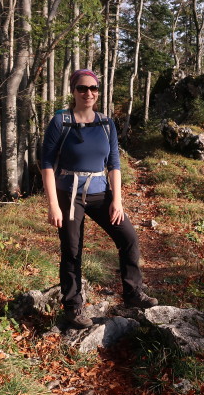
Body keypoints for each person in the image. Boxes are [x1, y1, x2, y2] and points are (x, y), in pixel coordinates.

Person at [41, 69, 158, 329]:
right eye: (83, 88)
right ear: (73, 91)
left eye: (93, 88)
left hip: (101, 191)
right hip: (69, 195)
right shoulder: (61, 121)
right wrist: (52, 205)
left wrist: (117, 200)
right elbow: (46, 164)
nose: (89, 93)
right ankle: (72, 307)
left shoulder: (106, 124)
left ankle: (133, 293)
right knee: (72, 249)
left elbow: (114, 164)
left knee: (128, 237)